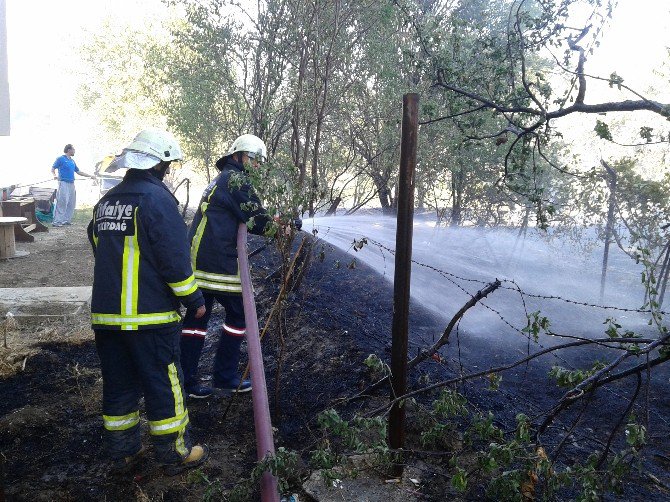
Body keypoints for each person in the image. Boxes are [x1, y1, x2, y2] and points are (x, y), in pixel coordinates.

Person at [87, 128, 209, 475]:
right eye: (167, 165)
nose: (168, 171)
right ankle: (174, 453)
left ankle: (123, 451)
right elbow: (174, 259)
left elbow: (100, 248)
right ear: (159, 166)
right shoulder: (156, 201)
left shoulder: (107, 201)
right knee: (163, 385)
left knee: (119, 384)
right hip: (150, 317)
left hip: (108, 318)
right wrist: (194, 299)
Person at [180, 134, 274, 399]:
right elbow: (256, 220)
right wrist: (284, 227)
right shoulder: (236, 180)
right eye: (253, 159)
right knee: (238, 315)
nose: (256, 166)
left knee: (196, 320)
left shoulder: (223, 179)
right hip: (216, 261)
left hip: (202, 258)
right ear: (238, 156)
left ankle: (187, 382)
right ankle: (225, 376)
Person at [51, 144, 94, 226]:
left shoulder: (72, 161)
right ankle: (57, 221)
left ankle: (66, 220)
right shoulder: (60, 159)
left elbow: (78, 172)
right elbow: (53, 169)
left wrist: (90, 176)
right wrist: (54, 176)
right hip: (63, 183)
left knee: (71, 202)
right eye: (73, 149)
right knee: (62, 201)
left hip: (71, 183)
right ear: (68, 150)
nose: (74, 151)